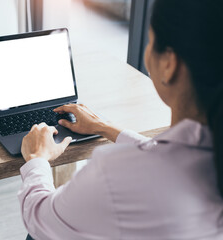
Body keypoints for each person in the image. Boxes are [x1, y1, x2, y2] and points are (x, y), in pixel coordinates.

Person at [18, 0, 223, 239]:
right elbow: (169, 157)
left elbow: (39, 219)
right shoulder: (209, 151)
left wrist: (36, 160)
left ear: (169, 64)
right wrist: (103, 127)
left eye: (150, 39)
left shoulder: (114, 177)